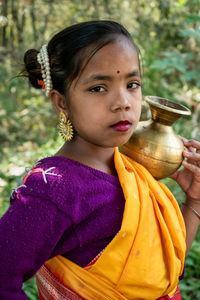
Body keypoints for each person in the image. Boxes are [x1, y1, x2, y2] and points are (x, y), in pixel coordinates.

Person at [0, 20, 200, 300]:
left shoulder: (130, 169)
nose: (123, 102)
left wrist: (194, 200)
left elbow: (163, 273)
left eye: (132, 84)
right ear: (61, 102)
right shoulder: (54, 189)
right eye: (98, 88)